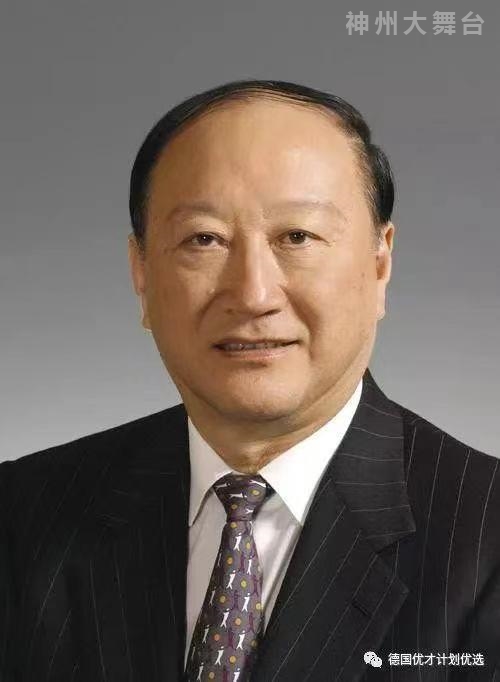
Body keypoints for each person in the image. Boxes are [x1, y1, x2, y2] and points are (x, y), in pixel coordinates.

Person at [1, 79, 498, 682]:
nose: (254, 294)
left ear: (379, 264)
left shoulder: (484, 536)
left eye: (297, 237)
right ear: (141, 274)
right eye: (204, 239)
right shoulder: (22, 514)